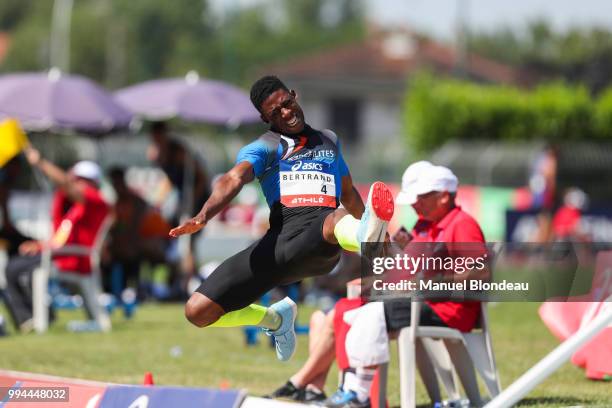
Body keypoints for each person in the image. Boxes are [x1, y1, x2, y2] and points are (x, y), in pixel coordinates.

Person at [169, 75, 394, 361]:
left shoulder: (329, 141)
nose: (286, 113)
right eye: (275, 112)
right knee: (198, 311)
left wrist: (373, 233)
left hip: (320, 245)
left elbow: (348, 194)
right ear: (266, 118)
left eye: (287, 103)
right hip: (280, 245)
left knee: (336, 218)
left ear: (294, 95)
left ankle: (367, 239)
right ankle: (276, 320)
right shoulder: (266, 146)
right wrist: (204, 214)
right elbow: (233, 178)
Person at [320, 164, 488, 408]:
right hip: (421, 304)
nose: (414, 204)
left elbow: (481, 272)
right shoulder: (421, 227)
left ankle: (359, 392)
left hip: (449, 310)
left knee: (373, 311)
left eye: (420, 198)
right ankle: (352, 387)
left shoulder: (462, 224)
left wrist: (426, 284)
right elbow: (405, 268)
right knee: (350, 309)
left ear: (443, 196)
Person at [3, 147, 109, 333]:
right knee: (15, 262)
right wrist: (38, 245)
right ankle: (32, 317)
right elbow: (61, 239)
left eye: (78, 179)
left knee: (14, 267)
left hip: (73, 259)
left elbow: (66, 185)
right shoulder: (78, 206)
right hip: (62, 254)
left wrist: (40, 162)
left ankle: (32, 318)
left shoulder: (94, 199)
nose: (75, 183)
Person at [147, 121, 212, 289]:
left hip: (196, 199)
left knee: (188, 240)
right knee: (174, 238)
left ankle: (188, 282)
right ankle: (178, 277)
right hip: (182, 199)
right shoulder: (158, 154)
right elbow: (169, 179)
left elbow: (201, 178)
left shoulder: (178, 151)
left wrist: (192, 203)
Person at [103, 166, 176, 299]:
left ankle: (135, 291)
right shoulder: (117, 203)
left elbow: (134, 230)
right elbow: (116, 229)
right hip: (132, 246)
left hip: (154, 242)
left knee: (131, 254)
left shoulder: (135, 201)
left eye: (117, 182)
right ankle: (114, 292)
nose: (115, 185)